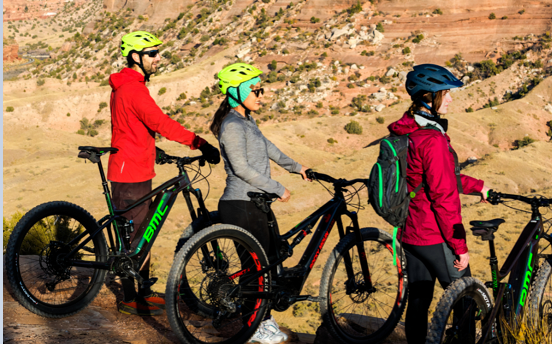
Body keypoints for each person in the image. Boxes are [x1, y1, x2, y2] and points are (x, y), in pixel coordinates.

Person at [108, 31, 221, 316]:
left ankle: (143, 291)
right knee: (134, 238)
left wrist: (152, 149)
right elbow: (161, 123)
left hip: (136, 166)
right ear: (136, 57)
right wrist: (200, 143)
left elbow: (134, 126)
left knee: (142, 233)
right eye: (152, 54)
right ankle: (130, 299)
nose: (159, 58)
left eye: (158, 53)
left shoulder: (130, 86)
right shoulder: (132, 89)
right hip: (129, 172)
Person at [387, 64, 490, 343]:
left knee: (419, 299)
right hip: (434, 235)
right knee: (465, 299)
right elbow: (443, 197)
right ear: (428, 97)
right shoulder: (432, 139)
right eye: (446, 93)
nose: (451, 99)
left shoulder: (406, 130)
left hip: (410, 231)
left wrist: (478, 186)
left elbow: (434, 178)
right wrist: (459, 246)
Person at [210, 63, 311, 344]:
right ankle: (257, 327)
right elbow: (241, 168)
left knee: (269, 263)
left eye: (260, 89)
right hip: (241, 203)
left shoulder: (246, 122)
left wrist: (297, 167)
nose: (261, 95)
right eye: (255, 90)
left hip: (256, 204)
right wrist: (278, 188)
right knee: (256, 270)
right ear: (236, 91)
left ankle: (260, 320)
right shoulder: (231, 124)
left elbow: (269, 149)